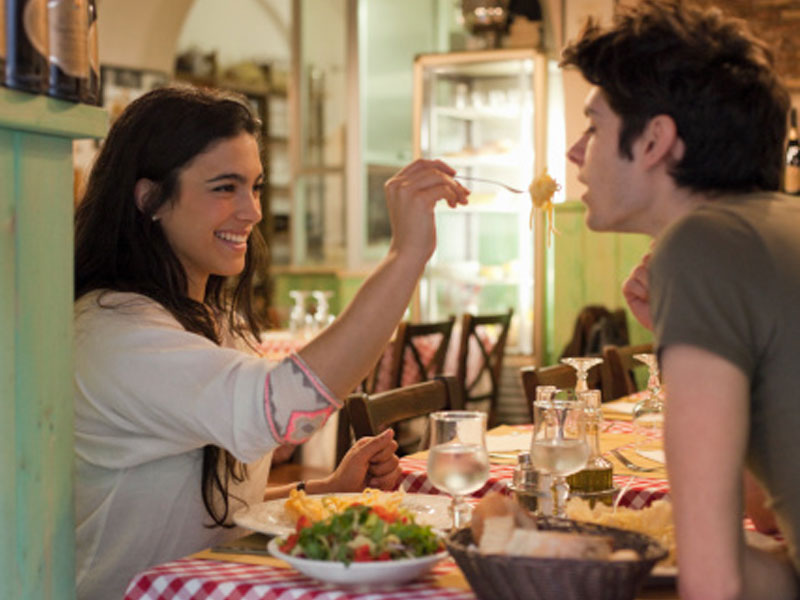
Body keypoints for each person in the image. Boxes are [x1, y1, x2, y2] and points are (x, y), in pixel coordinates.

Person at [73, 85, 470, 600]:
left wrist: (325, 491)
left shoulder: (214, 320)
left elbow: (219, 508)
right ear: (150, 198)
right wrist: (406, 254)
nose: (252, 211)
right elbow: (283, 411)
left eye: (255, 187)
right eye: (225, 187)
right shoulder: (114, 333)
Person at [561, 2, 800, 598]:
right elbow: (774, 518)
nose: (575, 153)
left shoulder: (699, 244)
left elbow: (713, 582)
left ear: (654, 141)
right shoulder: (777, 229)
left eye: (593, 127)